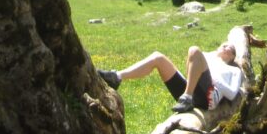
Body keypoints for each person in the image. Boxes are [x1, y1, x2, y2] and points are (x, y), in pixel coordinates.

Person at [98, 41, 243, 113]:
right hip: (190, 88)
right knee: (158, 57)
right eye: (225, 45)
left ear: (233, 57)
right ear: (218, 47)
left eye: (231, 49)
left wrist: (216, 81)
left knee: (194, 50)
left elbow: (232, 94)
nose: (227, 47)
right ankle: (116, 77)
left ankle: (187, 98)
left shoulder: (233, 70)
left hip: (208, 97)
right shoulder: (204, 56)